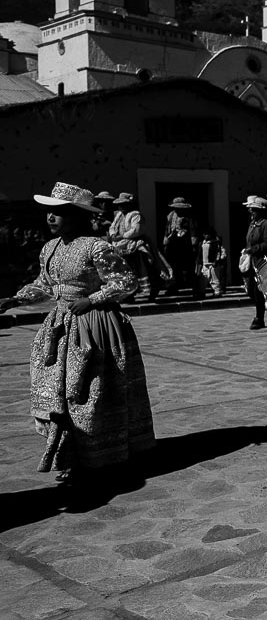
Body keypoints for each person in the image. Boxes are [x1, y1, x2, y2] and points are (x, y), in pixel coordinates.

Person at [0, 183, 154, 483]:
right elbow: (45, 285)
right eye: (49, 213)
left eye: (58, 213)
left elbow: (126, 282)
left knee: (89, 390)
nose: (50, 218)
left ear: (76, 216)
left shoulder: (96, 247)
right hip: (60, 326)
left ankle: (105, 454)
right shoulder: (50, 248)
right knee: (59, 393)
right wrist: (17, 299)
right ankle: (72, 453)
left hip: (96, 326)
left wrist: (92, 299)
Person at [108, 192, 157, 302]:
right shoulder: (119, 215)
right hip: (121, 246)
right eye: (120, 205)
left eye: (123, 204)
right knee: (125, 271)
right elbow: (112, 227)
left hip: (134, 245)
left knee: (141, 268)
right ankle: (128, 294)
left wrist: (123, 236)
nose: (121, 207)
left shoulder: (136, 215)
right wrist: (113, 235)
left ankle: (149, 290)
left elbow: (136, 230)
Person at [242, 196, 267, 330]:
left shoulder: (266, 224)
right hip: (252, 261)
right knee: (250, 289)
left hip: (262, 261)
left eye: (254, 210)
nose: (251, 212)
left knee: (258, 291)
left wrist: (254, 249)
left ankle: (259, 318)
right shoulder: (252, 225)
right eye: (250, 210)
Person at [163, 197, 197, 298]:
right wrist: (166, 240)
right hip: (172, 244)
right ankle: (173, 287)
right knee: (173, 266)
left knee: (188, 267)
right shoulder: (170, 216)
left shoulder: (189, 217)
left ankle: (194, 287)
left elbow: (193, 230)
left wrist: (193, 243)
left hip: (185, 244)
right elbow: (167, 229)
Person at [198, 226, 226, 297]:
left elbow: (219, 253)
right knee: (203, 280)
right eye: (204, 234)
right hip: (204, 264)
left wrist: (216, 261)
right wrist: (199, 263)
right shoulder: (202, 243)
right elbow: (200, 255)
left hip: (212, 264)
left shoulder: (215, 243)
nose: (205, 236)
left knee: (214, 279)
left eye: (207, 234)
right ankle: (201, 292)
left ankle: (217, 292)